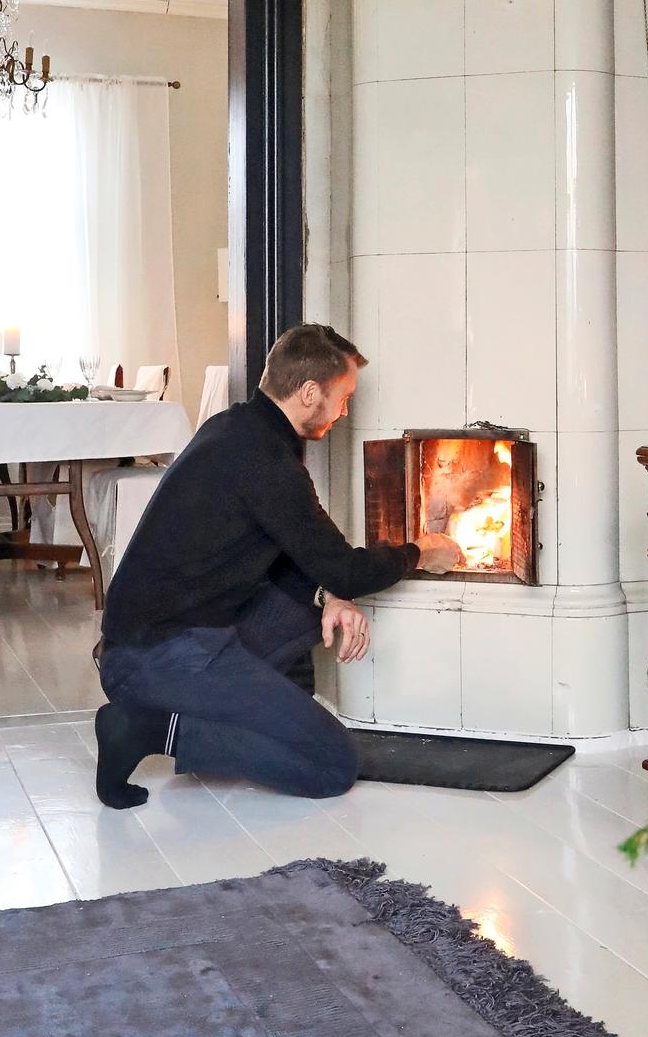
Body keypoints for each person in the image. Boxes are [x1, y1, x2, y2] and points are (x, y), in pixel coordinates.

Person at [94, 321, 459, 809]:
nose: (347, 410)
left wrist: (330, 594)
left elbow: (299, 554)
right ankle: (148, 728)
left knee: (308, 602)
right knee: (331, 766)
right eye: (343, 397)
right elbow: (346, 568)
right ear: (310, 392)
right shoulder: (266, 461)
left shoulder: (236, 428)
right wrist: (421, 552)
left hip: (163, 635)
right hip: (161, 657)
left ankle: (260, 711)